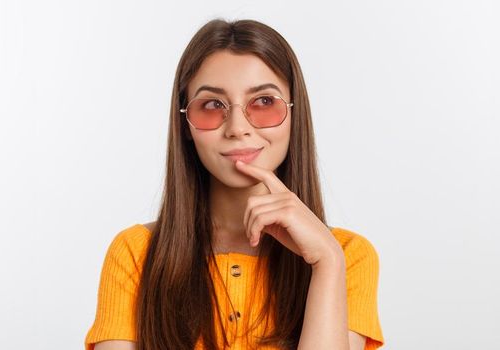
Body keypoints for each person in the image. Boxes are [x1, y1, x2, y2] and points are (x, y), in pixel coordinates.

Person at [84, 18, 383, 350]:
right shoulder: (136, 254)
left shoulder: (346, 257)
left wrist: (326, 262)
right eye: (212, 105)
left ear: (294, 115)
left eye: (264, 102)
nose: (238, 127)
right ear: (185, 123)